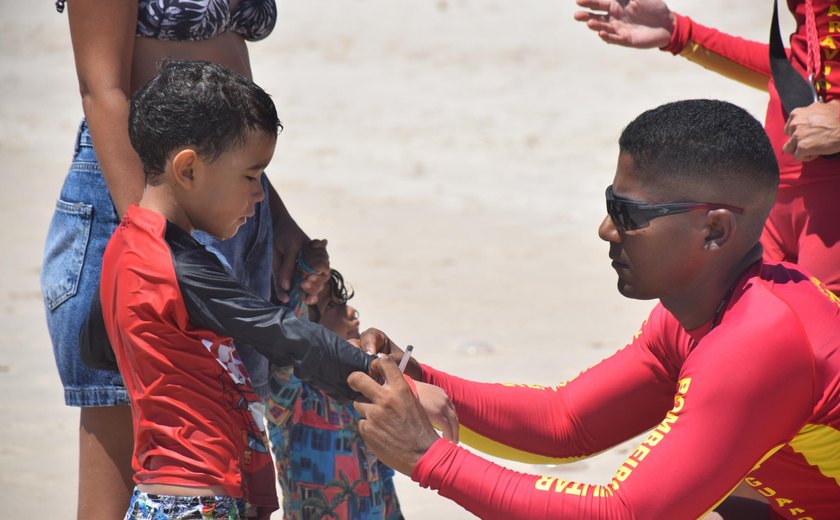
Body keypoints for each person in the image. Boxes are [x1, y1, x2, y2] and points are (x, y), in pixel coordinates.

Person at [348, 99, 840, 518]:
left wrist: (427, 457)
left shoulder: (761, 341)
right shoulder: (705, 309)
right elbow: (565, 422)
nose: (606, 229)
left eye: (629, 214)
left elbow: (619, 513)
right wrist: (410, 375)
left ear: (714, 230)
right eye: (610, 204)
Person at [42, 1, 328, 518]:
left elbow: (225, 124)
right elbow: (102, 89)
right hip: (138, 193)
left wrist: (268, 206)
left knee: (233, 455)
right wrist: (153, 242)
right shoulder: (155, 246)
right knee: (146, 471)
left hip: (222, 199)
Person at [88, 59, 380, 519]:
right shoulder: (177, 267)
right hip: (197, 503)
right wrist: (383, 382)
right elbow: (283, 334)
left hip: (172, 497)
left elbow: (97, 349)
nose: (260, 195)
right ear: (188, 169)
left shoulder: (123, 251)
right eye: (250, 176)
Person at [573, 0, 840, 296]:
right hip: (773, 200)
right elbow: (807, 67)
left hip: (830, 212)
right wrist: (681, 34)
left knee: (816, 322)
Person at [265, 268, 404, 519]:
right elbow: (288, 335)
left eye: (342, 303)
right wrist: (302, 279)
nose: (351, 313)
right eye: (331, 306)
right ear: (308, 331)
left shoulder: (362, 389)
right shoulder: (293, 398)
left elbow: (381, 472)